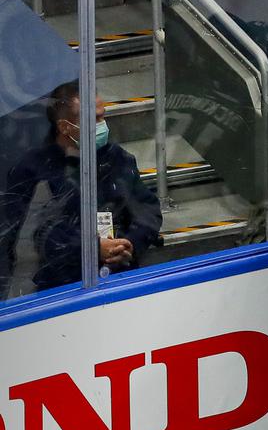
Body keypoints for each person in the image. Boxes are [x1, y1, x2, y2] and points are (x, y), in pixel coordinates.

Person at [0, 83, 161, 296]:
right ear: (65, 127)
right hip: (60, 290)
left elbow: (147, 209)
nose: (102, 124)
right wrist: (92, 249)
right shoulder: (33, 170)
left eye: (102, 116)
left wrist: (129, 244)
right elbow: (31, 235)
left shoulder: (117, 158)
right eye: (93, 119)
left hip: (119, 279)